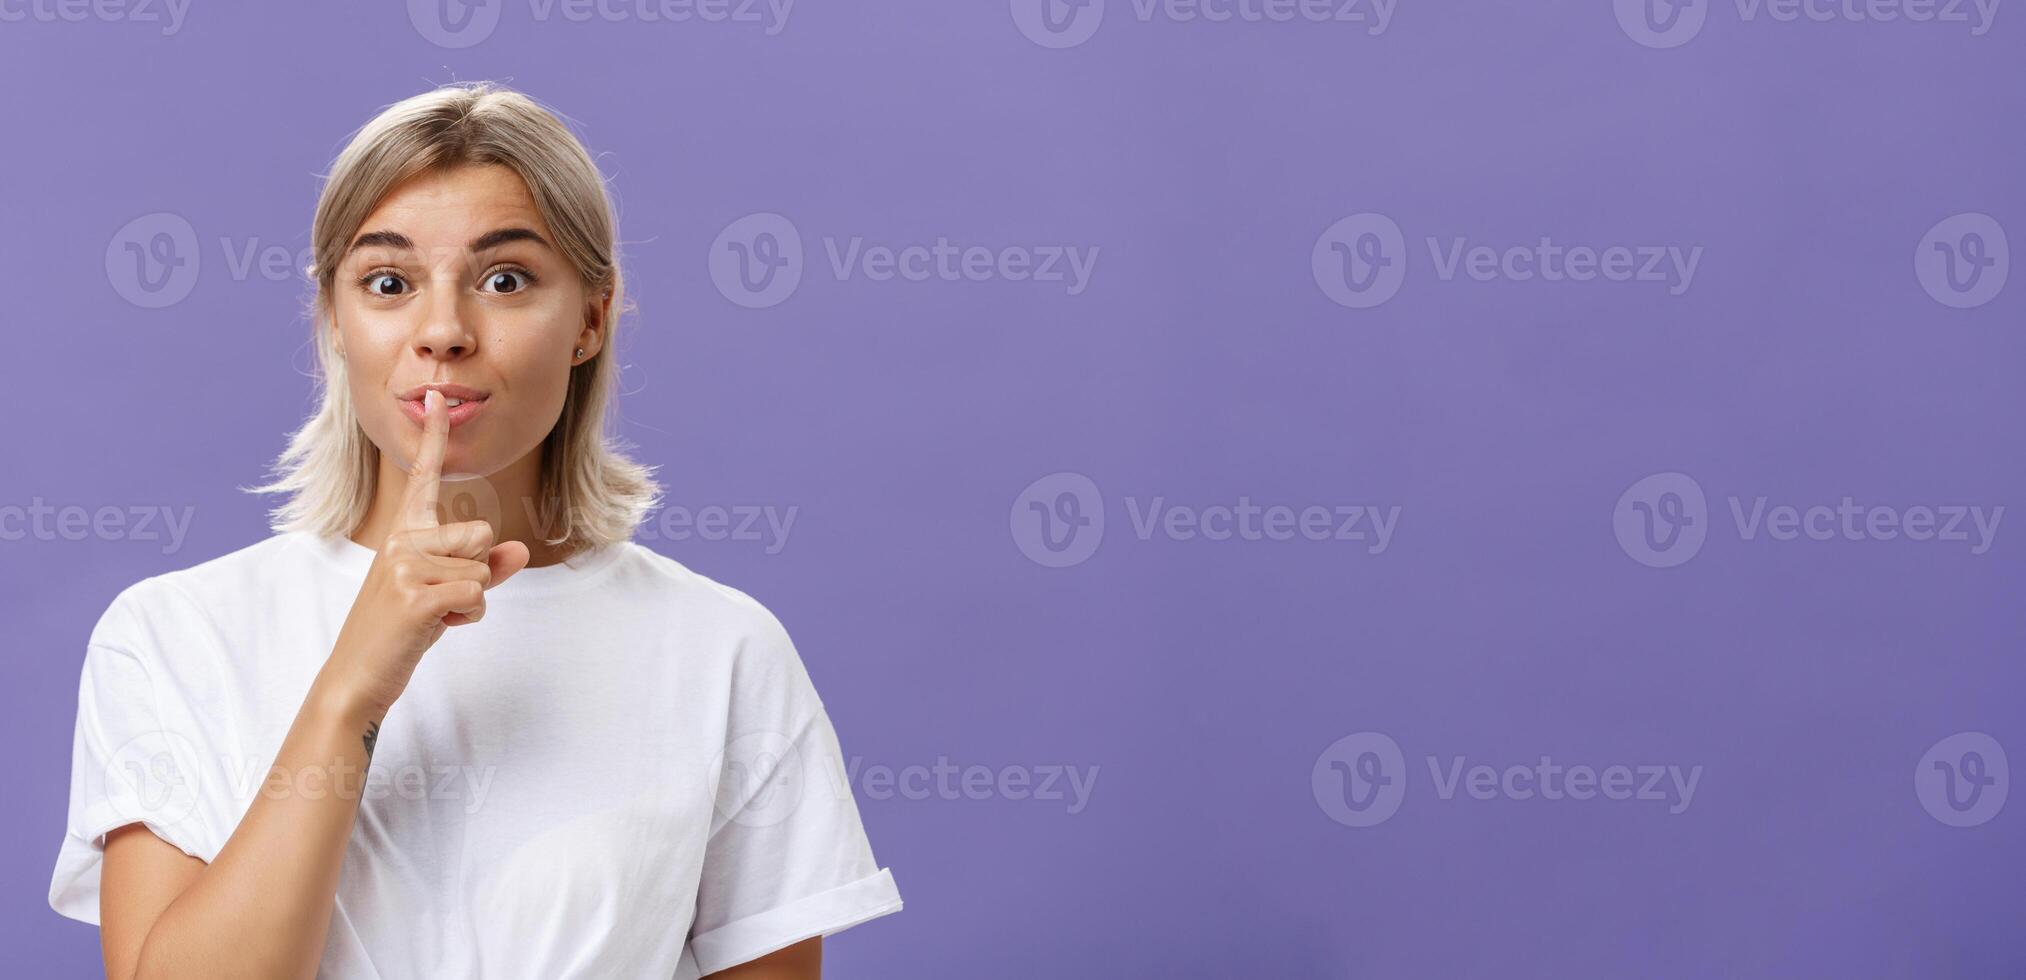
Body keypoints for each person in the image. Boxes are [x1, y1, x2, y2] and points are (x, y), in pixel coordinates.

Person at [48, 81, 901, 979]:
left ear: (591, 319)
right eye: (389, 282)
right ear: (335, 318)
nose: (444, 331)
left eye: (505, 279)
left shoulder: (724, 651)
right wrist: (352, 690)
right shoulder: (170, 634)